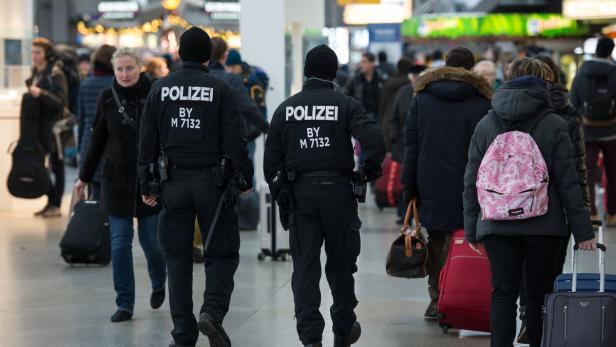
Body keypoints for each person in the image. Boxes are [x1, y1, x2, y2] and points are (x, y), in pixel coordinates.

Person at [463, 57, 597, 347]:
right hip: (544, 225)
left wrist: (472, 227)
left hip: (497, 223)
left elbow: (472, 179)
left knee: (502, 293)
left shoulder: (486, 123)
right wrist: (583, 231)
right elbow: (568, 181)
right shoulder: (554, 123)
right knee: (538, 295)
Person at [264, 44, 386, 347]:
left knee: (305, 267)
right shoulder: (345, 105)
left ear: (306, 71)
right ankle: (343, 328)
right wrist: (366, 173)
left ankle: (310, 337)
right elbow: (374, 140)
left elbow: (271, 163)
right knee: (342, 264)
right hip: (339, 195)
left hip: (300, 196)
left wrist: (283, 197)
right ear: (333, 73)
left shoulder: (286, 109)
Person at [138, 27, 253, 347]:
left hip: (172, 182)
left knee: (176, 257)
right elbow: (235, 139)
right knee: (222, 253)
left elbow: (146, 140)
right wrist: (244, 177)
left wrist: (146, 183)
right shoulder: (220, 89)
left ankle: (183, 334)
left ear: (178, 52)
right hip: (213, 185)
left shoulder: (160, 89)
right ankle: (212, 313)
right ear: (208, 56)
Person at [75, 48, 167, 323]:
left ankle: (158, 281)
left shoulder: (156, 93)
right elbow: (97, 140)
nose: (125, 74)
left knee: (151, 242)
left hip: (148, 181)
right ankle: (124, 303)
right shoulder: (107, 97)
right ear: (114, 70)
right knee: (119, 245)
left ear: (140, 67)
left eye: (130, 68)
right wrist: (84, 176)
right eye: (120, 69)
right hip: (114, 180)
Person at [401, 47, 492, 319]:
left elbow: (411, 144)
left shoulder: (423, 98)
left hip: (431, 177)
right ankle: (463, 295)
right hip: (470, 179)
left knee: (438, 239)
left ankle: (437, 298)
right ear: (472, 69)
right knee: (467, 238)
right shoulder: (482, 101)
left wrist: (409, 185)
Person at [510, 54, 592, 344]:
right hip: (556, 209)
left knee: (518, 269)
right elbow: (577, 170)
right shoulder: (567, 116)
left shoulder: (504, 111)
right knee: (549, 272)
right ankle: (542, 322)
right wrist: (582, 214)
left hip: (512, 205)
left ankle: (526, 319)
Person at [570, 37, 616, 224]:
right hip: (612, 131)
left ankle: (592, 213)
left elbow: (573, 101)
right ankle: (613, 214)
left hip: (587, 130)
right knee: (613, 172)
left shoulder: (582, 72)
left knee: (587, 171)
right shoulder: (615, 72)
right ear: (610, 52)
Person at [27, 38, 68, 218]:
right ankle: (50, 200)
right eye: (33, 52)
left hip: (54, 128)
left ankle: (56, 204)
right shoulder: (36, 71)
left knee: (57, 166)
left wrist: (41, 93)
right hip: (39, 125)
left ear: (47, 54)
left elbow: (61, 101)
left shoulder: (55, 72)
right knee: (41, 164)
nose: (34, 56)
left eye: (38, 52)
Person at [77, 44, 116, 200]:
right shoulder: (117, 83)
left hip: (89, 140)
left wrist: (80, 149)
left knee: (95, 189)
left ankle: (96, 223)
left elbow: (82, 119)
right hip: (112, 141)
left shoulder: (86, 84)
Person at [389, 64, 425, 223]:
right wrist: (395, 137)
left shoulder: (426, 94)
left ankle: (418, 213)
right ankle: (404, 213)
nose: (415, 81)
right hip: (404, 144)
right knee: (406, 179)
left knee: (421, 180)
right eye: (414, 78)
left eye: (418, 78)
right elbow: (393, 117)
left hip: (422, 145)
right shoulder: (403, 93)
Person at [378, 57, 413, 146]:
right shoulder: (412, 85)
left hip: (389, 123)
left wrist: (381, 121)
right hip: (407, 123)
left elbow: (383, 104)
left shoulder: (389, 82)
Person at [344, 52, 384, 123]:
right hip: (360, 116)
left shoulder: (380, 79)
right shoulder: (355, 79)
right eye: (361, 62)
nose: (361, 65)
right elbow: (345, 95)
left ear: (372, 63)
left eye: (364, 62)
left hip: (377, 116)